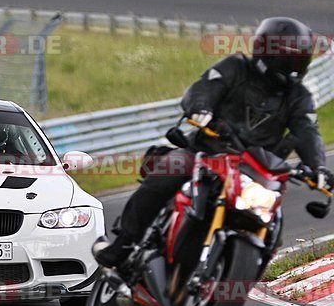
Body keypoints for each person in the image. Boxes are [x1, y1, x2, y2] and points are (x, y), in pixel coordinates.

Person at [95, 17, 332, 268]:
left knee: (274, 223)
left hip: (256, 172)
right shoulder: (236, 67)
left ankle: (240, 272)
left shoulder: (298, 96)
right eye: (287, 58)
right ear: (266, 52)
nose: (293, 66)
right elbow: (204, 89)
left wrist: (318, 168)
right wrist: (200, 109)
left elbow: (307, 130)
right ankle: (124, 245)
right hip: (205, 154)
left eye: (299, 59)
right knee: (168, 171)